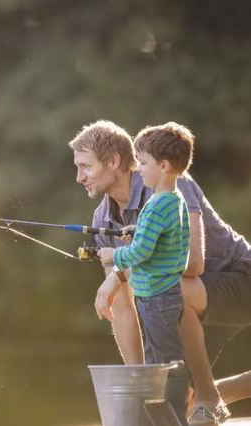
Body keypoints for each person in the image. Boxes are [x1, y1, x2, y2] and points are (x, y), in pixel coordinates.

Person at [68, 120, 251, 426]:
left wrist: (118, 272)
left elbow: (194, 263)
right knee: (172, 392)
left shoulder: (171, 182)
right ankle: (209, 396)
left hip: (240, 281)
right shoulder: (103, 217)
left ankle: (207, 396)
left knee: (167, 287)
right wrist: (141, 389)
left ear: (113, 161)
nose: (79, 177)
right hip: (190, 305)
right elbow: (123, 308)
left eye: (85, 166)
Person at [94, 122, 192, 423]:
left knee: (164, 365)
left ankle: (172, 417)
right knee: (163, 360)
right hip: (165, 295)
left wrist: (113, 254)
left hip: (157, 299)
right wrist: (138, 230)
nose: (139, 168)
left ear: (163, 166)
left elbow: (139, 253)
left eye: (144, 163)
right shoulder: (173, 201)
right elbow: (165, 239)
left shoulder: (156, 204)